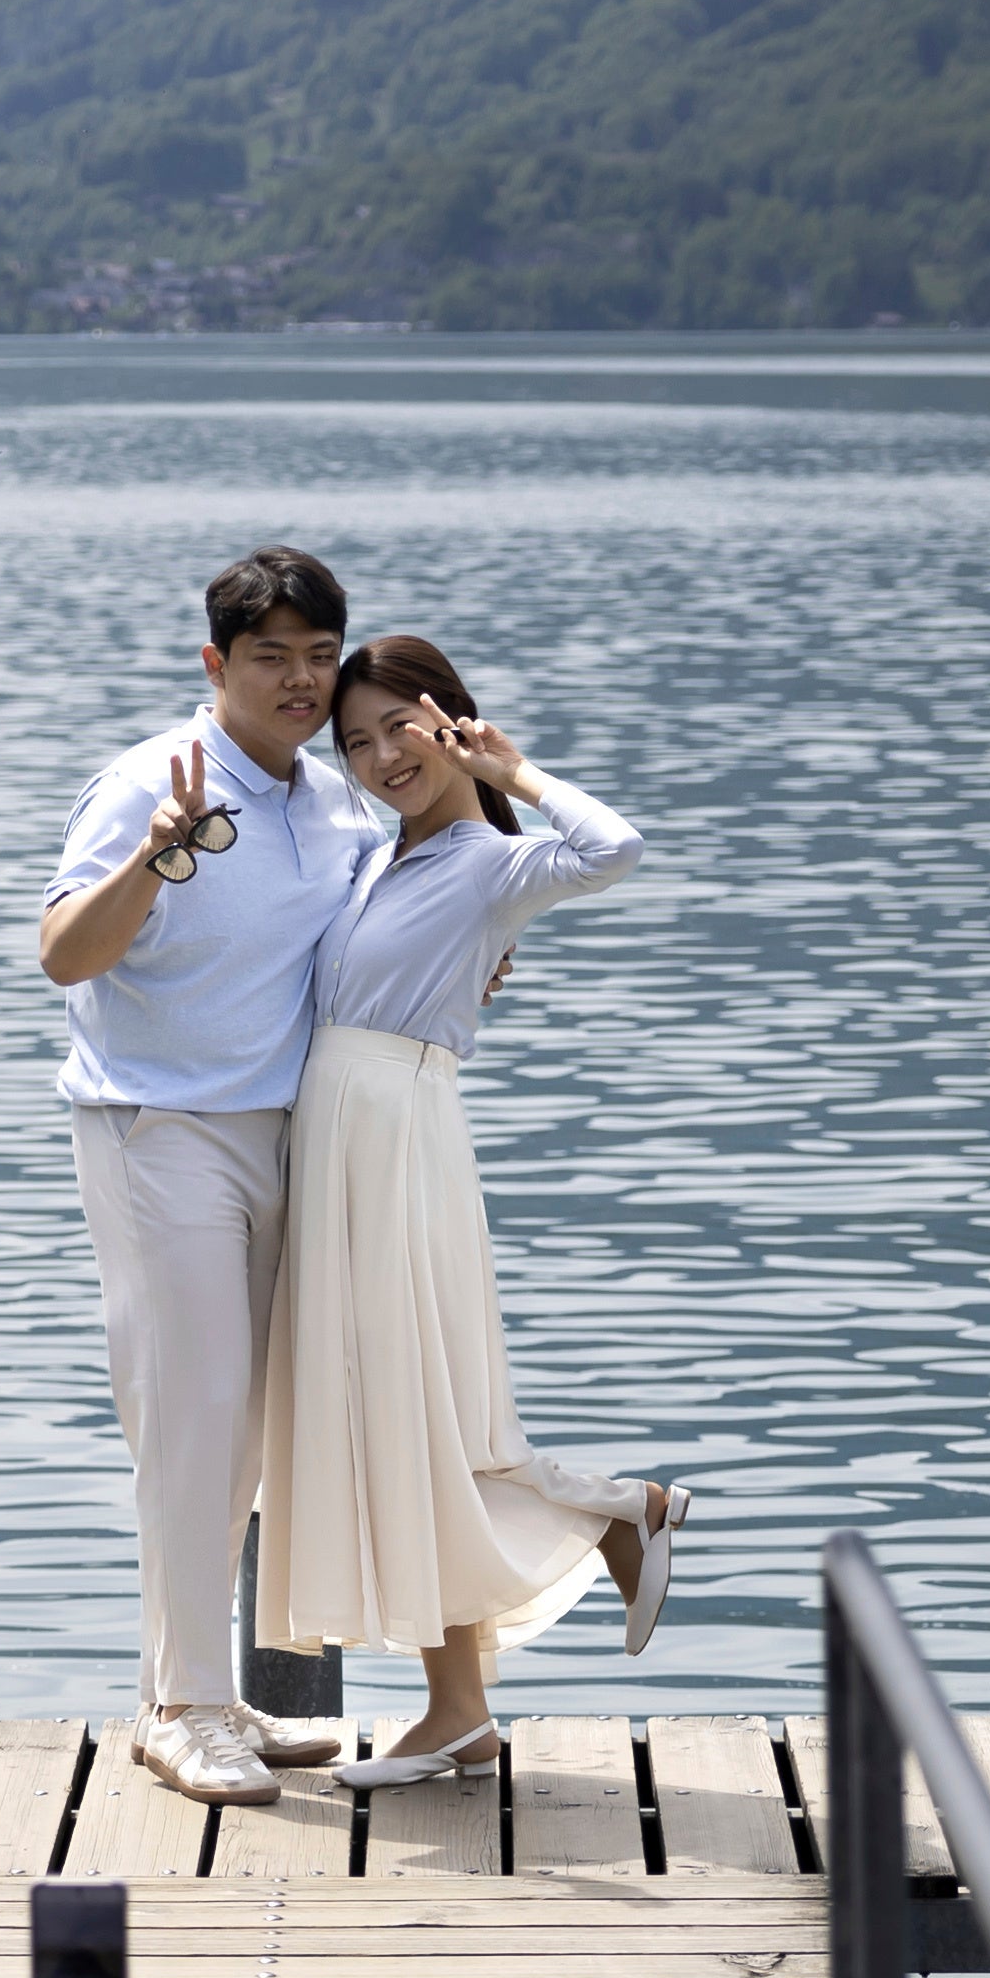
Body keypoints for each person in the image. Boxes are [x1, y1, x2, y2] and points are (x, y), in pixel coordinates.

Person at [251, 632, 694, 1788]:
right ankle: (459, 1707)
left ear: (449, 717)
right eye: (354, 741)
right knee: (387, 1416)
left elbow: (616, 847)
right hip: (336, 1137)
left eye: (401, 724)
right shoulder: (369, 857)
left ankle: (617, 1513)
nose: (380, 755)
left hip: (399, 1138)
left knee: (420, 1405)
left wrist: (515, 775)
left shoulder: (495, 862)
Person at [38, 545, 370, 1808]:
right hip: (156, 1128)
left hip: (285, 1131)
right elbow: (66, 953)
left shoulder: (329, 800)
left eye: (319, 657)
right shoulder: (148, 787)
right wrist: (160, 856)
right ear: (215, 664)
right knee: (191, 1415)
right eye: (272, 657)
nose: (299, 681)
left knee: (245, 1432)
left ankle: (208, 1692)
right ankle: (178, 1708)